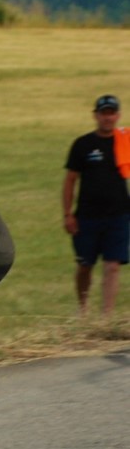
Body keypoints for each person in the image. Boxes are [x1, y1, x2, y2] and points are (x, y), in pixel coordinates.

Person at [62, 94, 130, 316]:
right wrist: (68, 214)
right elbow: (70, 180)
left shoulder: (125, 142)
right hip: (87, 216)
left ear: (118, 115)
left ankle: (106, 318)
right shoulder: (83, 145)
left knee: (112, 265)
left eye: (112, 113)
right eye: (104, 113)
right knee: (85, 265)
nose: (108, 118)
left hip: (119, 215)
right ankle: (83, 311)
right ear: (96, 116)